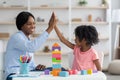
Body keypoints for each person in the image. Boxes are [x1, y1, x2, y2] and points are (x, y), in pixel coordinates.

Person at [4, 11, 56, 80]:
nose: (33, 26)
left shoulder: (27, 39)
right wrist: (49, 28)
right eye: (29, 24)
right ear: (21, 26)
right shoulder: (16, 37)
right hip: (14, 74)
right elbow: (32, 47)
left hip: (27, 72)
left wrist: (36, 67)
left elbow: (29, 62)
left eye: (34, 23)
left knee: (58, 69)